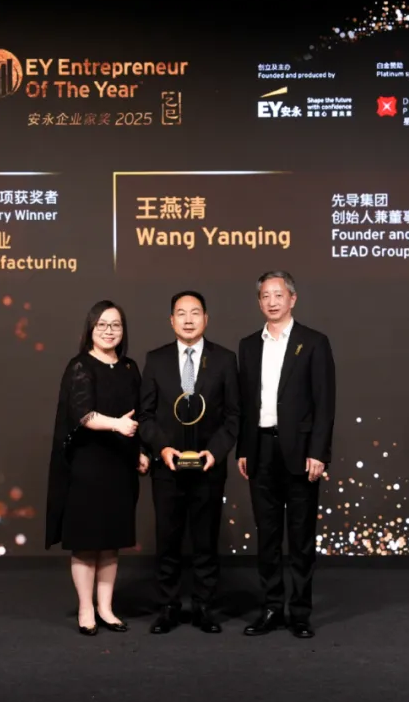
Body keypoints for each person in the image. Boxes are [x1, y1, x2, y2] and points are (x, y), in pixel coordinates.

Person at [236, 271, 336, 639]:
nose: (272, 301)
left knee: (301, 537)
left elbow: (325, 403)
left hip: (301, 452)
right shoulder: (248, 346)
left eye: (279, 294)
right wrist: (244, 449)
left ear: (292, 299)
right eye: (266, 295)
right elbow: (245, 403)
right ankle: (272, 608)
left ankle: (300, 613)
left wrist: (319, 452)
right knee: (267, 536)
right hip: (260, 448)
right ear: (259, 302)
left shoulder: (314, 342)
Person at [46, 300, 150, 636]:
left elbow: (139, 415)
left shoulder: (130, 367)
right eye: (102, 324)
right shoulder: (80, 365)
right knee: (87, 541)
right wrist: (117, 425)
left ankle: (106, 608)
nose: (109, 331)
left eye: (116, 325)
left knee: (111, 541)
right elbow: (83, 414)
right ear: (91, 329)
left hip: (120, 464)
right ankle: (86, 608)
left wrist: (140, 450)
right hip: (88, 465)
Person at [138, 291, 240, 634]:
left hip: (208, 467)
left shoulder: (225, 360)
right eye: (181, 313)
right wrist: (162, 448)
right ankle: (168, 607)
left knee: (206, 540)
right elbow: (146, 415)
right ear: (171, 320)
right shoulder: (155, 360)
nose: (188, 319)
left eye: (195, 313)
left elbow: (233, 416)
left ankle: (203, 607)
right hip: (167, 467)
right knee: (167, 540)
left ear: (206, 319)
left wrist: (215, 452)